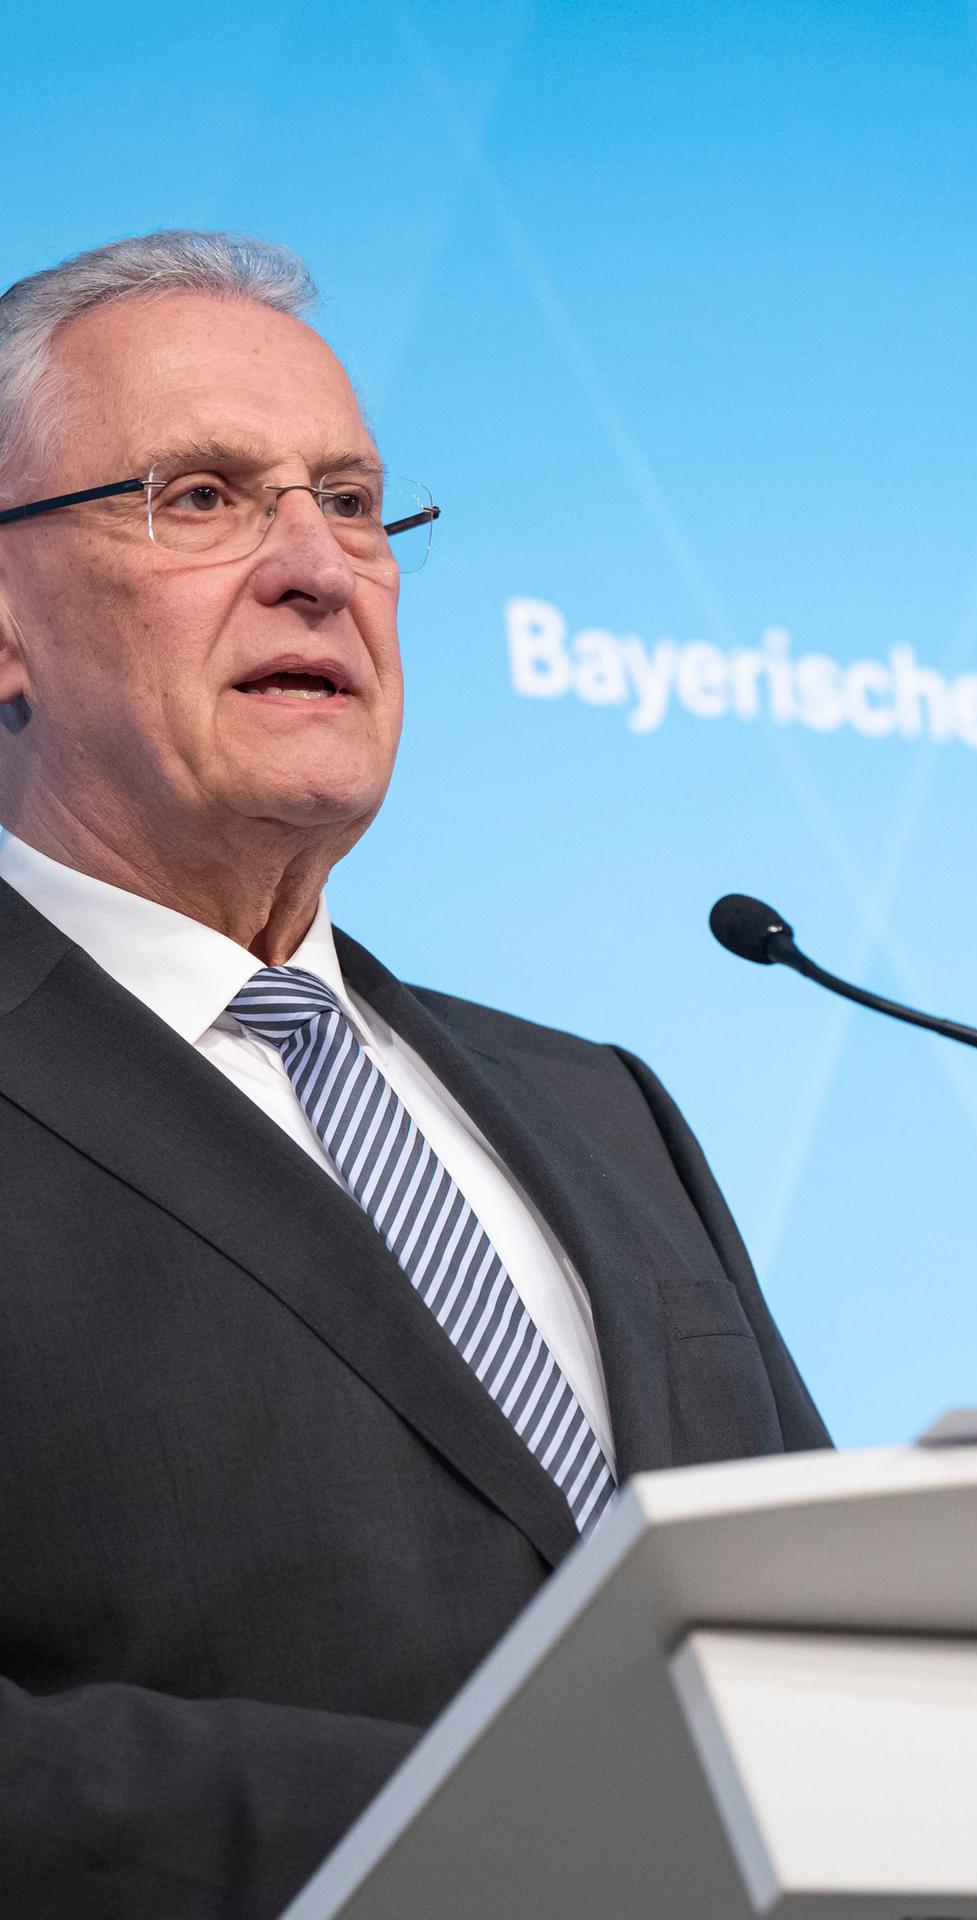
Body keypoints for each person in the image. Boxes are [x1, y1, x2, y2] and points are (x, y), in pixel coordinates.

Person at [0, 231, 828, 1920]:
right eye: (204, 498)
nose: (320, 566)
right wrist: (517, 1825)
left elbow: (811, 1641)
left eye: (356, 502)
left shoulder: (604, 1108)